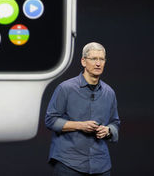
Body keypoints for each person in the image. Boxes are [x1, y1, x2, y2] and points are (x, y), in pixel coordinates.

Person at [45, 42, 120, 175]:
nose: (98, 63)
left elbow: (115, 123)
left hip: (100, 164)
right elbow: (50, 120)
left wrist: (108, 130)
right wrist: (80, 125)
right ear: (83, 61)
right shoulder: (65, 88)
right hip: (69, 163)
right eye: (94, 59)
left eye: (101, 59)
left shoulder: (109, 92)